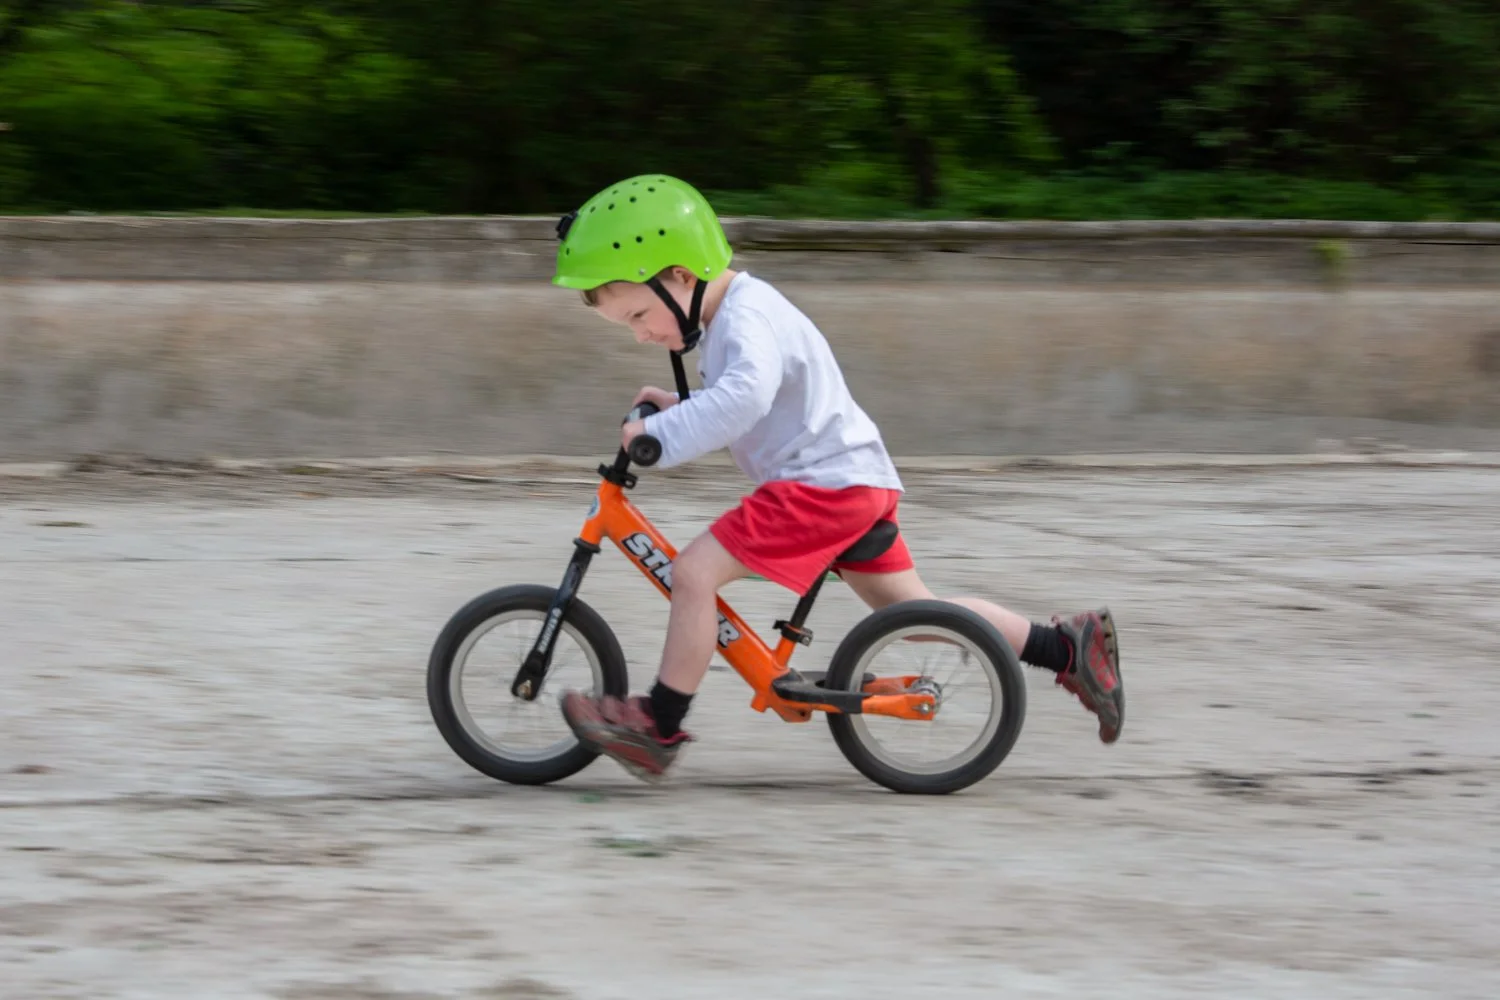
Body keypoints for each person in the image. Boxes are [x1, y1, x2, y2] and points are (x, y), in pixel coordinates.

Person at [551, 174, 1123, 781]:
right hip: (853, 482)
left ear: (681, 277)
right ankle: (1064, 647)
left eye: (639, 315)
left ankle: (658, 725)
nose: (641, 334)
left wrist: (659, 440)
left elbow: (742, 400)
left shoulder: (745, 321)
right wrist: (675, 404)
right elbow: (750, 397)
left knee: (692, 572)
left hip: (820, 487)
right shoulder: (737, 316)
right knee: (920, 615)